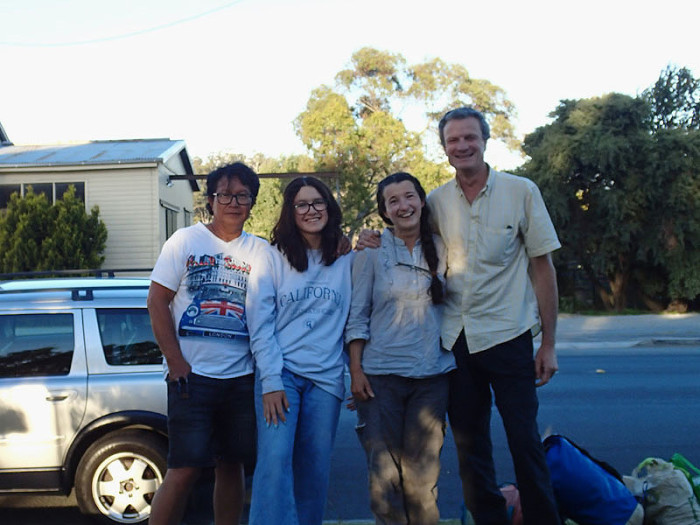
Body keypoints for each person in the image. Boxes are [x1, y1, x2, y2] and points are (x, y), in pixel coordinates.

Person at [359, 107, 561, 525]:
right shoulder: (435, 201)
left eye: (470, 137)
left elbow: (543, 268)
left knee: (524, 441)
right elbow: (405, 233)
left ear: (485, 140)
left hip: (508, 335)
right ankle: (489, 519)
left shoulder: (521, 191)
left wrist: (550, 344)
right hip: (456, 343)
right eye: (454, 140)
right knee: (472, 448)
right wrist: (366, 239)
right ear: (445, 148)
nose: (462, 146)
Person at [147, 162, 271, 525]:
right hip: (192, 378)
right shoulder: (185, 241)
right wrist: (176, 362)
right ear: (211, 200)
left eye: (243, 196)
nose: (234, 202)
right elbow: (157, 301)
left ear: (252, 202)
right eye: (225, 195)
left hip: (241, 379)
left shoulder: (261, 251)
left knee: (231, 466)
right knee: (184, 469)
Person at [346, 172, 456, 524]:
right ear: (384, 211)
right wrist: (356, 370)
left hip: (432, 377)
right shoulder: (372, 251)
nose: (403, 205)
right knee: (385, 482)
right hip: (380, 380)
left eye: (409, 197)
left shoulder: (445, 246)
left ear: (422, 201)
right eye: (393, 201)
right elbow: (357, 315)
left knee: (422, 482)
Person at [246, 176, 354, 525]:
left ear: (329, 207)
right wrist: (272, 380)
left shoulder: (345, 258)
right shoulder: (271, 258)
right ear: (290, 213)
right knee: (275, 461)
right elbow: (259, 323)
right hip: (282, 376)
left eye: (318, 202)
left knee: (315, 468)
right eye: (302, 204)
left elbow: (356, 319)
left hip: (326, 379)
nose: (312, 210)